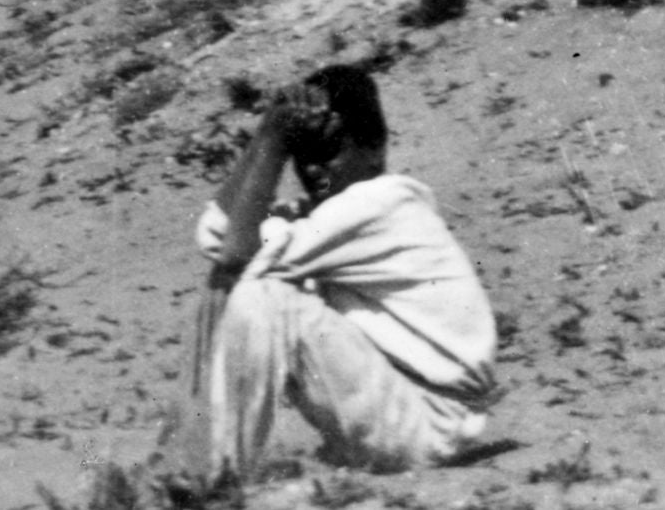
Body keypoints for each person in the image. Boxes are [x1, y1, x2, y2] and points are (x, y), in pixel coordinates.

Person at [188, 64, 498, 481]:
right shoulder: (326, 217)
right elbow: (218, 237)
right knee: (232, 285)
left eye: (331, 150)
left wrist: (274, 142)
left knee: (265, 296)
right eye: (304, 155)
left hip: (429, 420)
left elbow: (235, 254)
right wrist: (267, 137)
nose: (315, 169)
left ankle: (212, 475)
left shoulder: (381, 203)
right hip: (404, 409)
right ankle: (195, 457)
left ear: (374, 150)